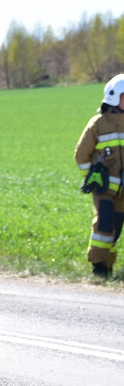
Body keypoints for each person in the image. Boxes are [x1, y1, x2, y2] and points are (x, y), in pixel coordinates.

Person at [75, 74, 124, 277]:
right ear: (113, 96)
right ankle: (98, 266)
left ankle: (108, 265)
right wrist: (93, 176)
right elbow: (81, 156)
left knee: (116, 229)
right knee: (103, 225)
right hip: (103, 189)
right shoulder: (98, 123)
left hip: (123, 190)